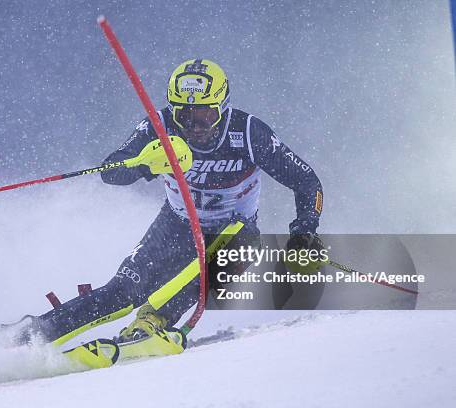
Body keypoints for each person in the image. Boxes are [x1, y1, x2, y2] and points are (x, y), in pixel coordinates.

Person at [16, 59, 324, 346]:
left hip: (233, 233)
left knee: (236, 245)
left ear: (223, 107)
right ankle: (34, 333)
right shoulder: (160, 124)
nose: (195, 128)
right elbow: (111, 170)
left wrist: (304, 230)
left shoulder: (248, 132)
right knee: (122, 292)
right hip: (177, 224)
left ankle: (153, 321)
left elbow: (307, 180)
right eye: (185, 116)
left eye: (206, 115)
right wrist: (144, 163)